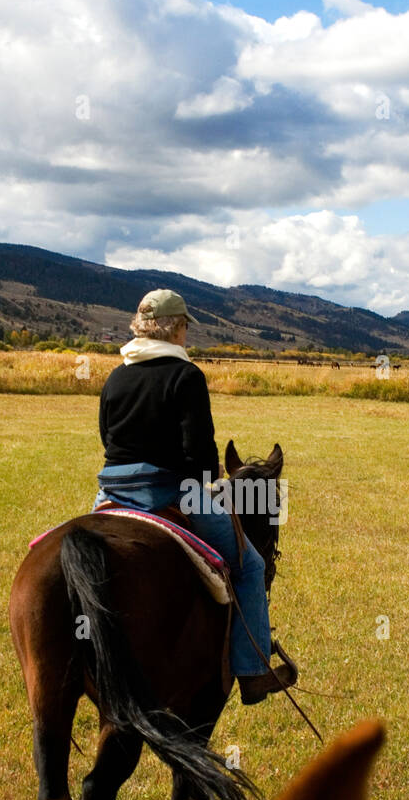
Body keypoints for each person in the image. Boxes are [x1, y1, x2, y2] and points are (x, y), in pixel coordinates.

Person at [93, 289, 297, 704]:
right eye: (186, 326)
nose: (187, 334)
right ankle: (254, 673)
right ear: (176, 327)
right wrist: (210, 473)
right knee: (250, 566)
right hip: (171, 492)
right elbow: (201, 457)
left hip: (110, 491)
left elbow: (107, 439)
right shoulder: (186, 377)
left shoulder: (116, 376)